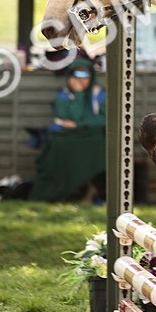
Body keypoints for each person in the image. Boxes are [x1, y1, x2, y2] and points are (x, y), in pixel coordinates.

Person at [28, 55, 107, 202]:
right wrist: (78, 94)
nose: (80, 79)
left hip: (92, 138)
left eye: (85, 75)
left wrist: (81, 124)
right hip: (66, 137)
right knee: (57, 148)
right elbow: (69, 117)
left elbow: (103, 120)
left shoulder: (99, 95)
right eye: (76, 75)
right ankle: (52, 193)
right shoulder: (64, 95)